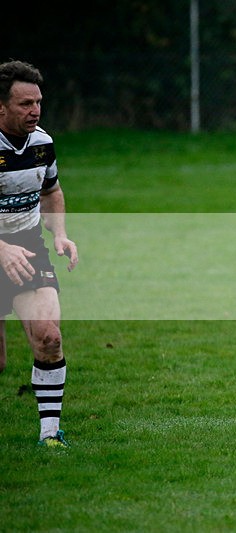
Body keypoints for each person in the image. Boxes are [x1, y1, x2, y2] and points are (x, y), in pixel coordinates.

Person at [0, 60, 79, 447]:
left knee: (49, 337)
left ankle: (50, 436)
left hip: (29, 250)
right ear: (1, 106)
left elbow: (51, 191)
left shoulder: (42, 143)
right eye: (25, 103)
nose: (35, 110)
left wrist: (60, 234)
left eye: (38, 102)